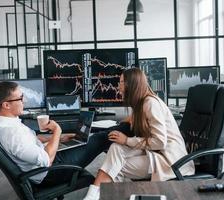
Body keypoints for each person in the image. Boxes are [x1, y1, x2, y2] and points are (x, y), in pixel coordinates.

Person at [83, 68, 195, 200]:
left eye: (122, 82)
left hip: (170, 161)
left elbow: (159, 142)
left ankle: (94, 197)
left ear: (132, 85)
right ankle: (95, 196)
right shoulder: (141, 104)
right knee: (116, 149)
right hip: (156, 153)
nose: (118, 87)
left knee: (116, 166)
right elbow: (128, 122)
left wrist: (127, 141)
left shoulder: (151, 104)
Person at [0, 81, 111, 186]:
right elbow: (46, 160)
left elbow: (31, 139)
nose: (25, 100)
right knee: (101, 138)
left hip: (46, 163)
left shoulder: (2, 123)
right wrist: (57, 132)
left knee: (92, 139)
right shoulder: (12, 133)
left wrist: (60, 139)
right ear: (6, 105)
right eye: (20, 98)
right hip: (50, 173)